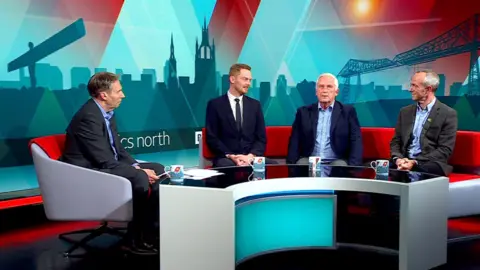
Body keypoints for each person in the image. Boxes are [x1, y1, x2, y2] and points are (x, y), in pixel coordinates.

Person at [59, 72, 163, 255]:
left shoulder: (107, 113)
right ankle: (131, 239)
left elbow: (119, 150)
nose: (123, 95)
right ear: (103, 95)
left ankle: (148, 232)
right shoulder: (88, 117)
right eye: (119, 91)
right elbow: (104, 159)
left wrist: (138, 166)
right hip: (87, 172)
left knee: (158, 169)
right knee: (139, 177)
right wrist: (139, 171)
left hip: (103, 164)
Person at [205, 63, 277, 167]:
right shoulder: (215, 105)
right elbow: (212, 138)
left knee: (274, 165)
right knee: (225, 166)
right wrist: (232, 156)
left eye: (250, 80)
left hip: (251, 157)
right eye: (245, 79)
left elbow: (261, 138)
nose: (248, 83)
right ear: (232, 79)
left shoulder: (255, 105)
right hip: (227, 158)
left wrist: (250, 156)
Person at [390, 70, 458, 176]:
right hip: (404, 161)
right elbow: (396, 141)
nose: (410, 89)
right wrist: (398, 159)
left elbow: (445, 150)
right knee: (374, 167)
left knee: (422, 170)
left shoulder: (448, 114)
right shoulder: (405, 112)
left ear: (428, 89)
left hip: (429, 163)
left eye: (415, 86)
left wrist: (414, 162)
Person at [286, 73, 363, 166]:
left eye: (329, 87)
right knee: (301, 163)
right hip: (310, 160)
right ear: (316, 91)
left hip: (336, 161)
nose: (325, 90)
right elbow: (295, 140)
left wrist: (353, 166)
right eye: (321, 87)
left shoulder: (348, 112)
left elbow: (355, 140)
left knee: (339, 165)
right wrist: (291, 165)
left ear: (336, 92)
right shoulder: (303, 112)